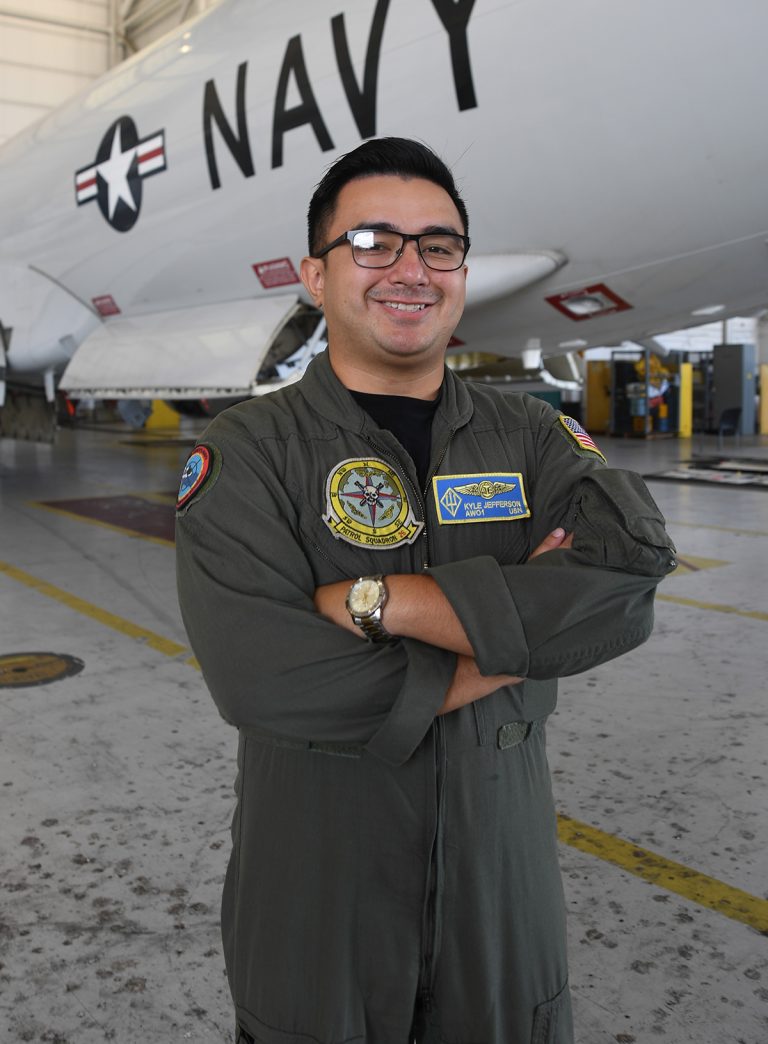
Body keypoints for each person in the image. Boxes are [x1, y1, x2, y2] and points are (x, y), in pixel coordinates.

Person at [175, 137, 675, 1044]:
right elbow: (264, 678)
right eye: (372, 242)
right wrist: (509, 643)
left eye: (437, 246)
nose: (410, 268)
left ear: (460, 273)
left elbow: (629, 568)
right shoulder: (249, 451)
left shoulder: (531, 435)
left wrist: (381, 605)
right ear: (316, 278)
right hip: (316, 902)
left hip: (500, 904)